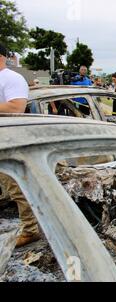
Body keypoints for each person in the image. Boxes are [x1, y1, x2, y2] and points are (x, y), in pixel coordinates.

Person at [0, 43, 41, 247]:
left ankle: (31, 229)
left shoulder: (12, 78)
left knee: (17, 188)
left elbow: (16, 107)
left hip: (8, 141)